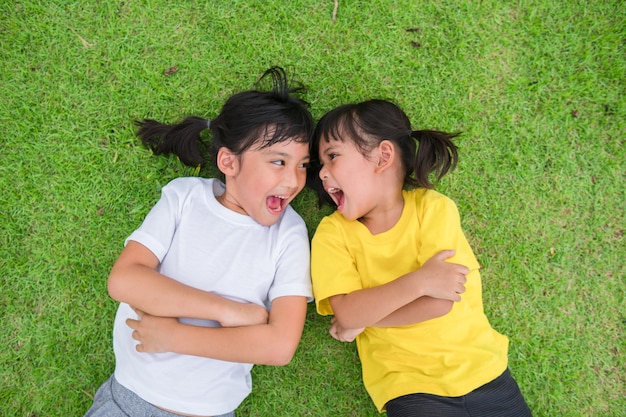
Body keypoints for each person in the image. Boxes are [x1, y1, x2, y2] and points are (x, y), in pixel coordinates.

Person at [84, 67, 315, 417]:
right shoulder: (185, 198)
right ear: (228, 162)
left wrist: (173, 337)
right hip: (127, 401)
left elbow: (279, 346)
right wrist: (228, 311)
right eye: (278, 161)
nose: (293, 180)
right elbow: (125, 280)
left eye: (302, 165)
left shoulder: (290, 233)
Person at [308, 99, 532, 416]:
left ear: (383, 156)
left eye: (332, 157)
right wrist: (420, 280)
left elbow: (441, 301)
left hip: (486, 373)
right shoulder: (333, 234)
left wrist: (362, 318)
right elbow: (346, 313)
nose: (323, 174)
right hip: (409, 389)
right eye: (320, 165)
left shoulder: (432, 207)